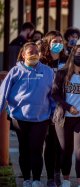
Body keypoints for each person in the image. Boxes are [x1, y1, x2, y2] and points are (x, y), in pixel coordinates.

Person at [0, 42, 54, 187]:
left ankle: (36, 179)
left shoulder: (48, 72)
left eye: (36, 51)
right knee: (24, 149)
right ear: (23, 55)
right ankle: (26, 179)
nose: (33, 54)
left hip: (41, 118)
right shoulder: (15, 71)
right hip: (20, 117)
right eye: (30, 52)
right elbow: (3, 93)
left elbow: (53, 95)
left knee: (37, 149)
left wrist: (54, 113)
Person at [52, 45, 80, 187]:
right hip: (64, 118)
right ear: (72, 55)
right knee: (66, 150)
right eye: (78, 53)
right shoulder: (61, 73)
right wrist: (68, 107)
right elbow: (55, 94)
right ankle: (66, 180)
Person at [40, 30, 67, 187]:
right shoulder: (42, 62)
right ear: (48, 43)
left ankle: (58, 173)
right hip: (45, 108)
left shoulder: (67, 61)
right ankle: (51, 177)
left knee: (61, 144)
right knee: (50, 144)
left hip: (62, 107)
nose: (58, 44)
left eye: (60, 41)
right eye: (54, 41)